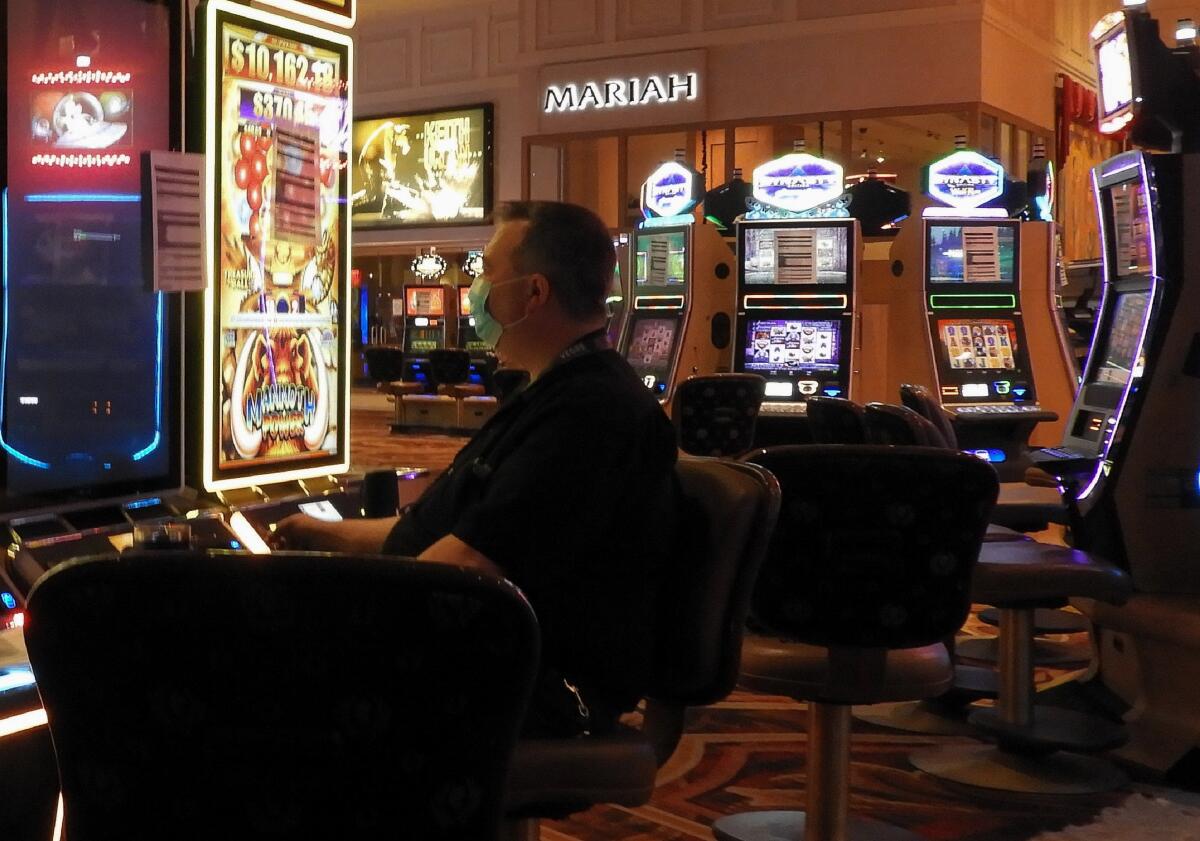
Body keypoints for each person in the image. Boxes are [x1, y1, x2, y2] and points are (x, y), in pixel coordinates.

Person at [273, 200, 680, 736]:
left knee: (277, 671)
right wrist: (320, 537)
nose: (476, 292)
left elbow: (465, 561)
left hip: (538, 684)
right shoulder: (551, 391)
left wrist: (321, 590)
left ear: (534, 293)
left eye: (487, 272)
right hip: (492, 652)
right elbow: (434, 535)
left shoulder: (591, 413)